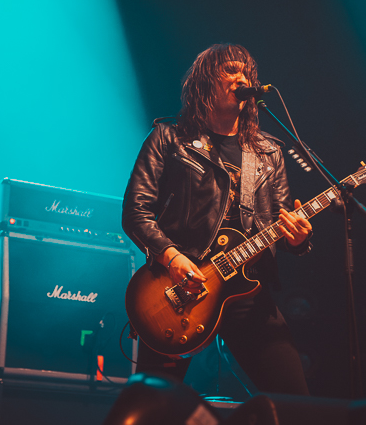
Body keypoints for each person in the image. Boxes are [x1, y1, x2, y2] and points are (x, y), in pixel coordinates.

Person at [122, 43, 312, 395]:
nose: (242, 78)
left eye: (246, 72)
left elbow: (282, 223)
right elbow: (136, 211)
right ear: (205, 81)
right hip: (178, 288)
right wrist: (172, 257)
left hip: (248, 293)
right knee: (150, 405)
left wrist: (297, 239)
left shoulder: (268, 152)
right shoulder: (169, 138)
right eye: (231, 70)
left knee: (296, 404)